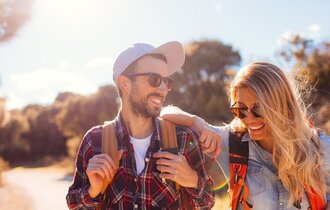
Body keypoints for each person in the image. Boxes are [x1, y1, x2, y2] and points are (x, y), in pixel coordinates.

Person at [160, 61, 330, 209]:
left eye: (258, 110)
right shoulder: (232, 143)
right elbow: (165, 112)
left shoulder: (321, 147)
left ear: (282, 106)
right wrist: (197, 122)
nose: (248, 119)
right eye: (240, 110)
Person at [66, 41, 215, 210]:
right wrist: (93, 191)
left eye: (167, 81)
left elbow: (208, 202)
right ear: (124, 83)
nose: (163, 89)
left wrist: (192, 180)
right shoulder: (95, 140)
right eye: (154, 79)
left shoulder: (184, 137)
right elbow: (73, 203)